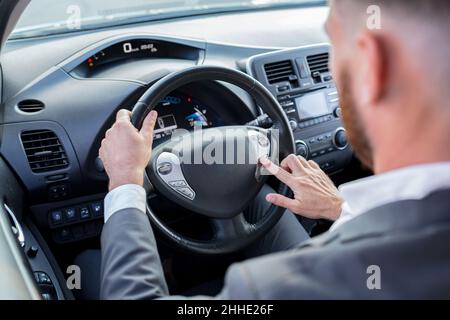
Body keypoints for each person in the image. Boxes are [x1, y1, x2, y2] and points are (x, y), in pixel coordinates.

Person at [96, 0, 450, 299]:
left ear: (373, 67)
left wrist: (126, 180)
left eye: (334, 45)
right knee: (257, 197)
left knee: (88, 265)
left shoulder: (268, 291)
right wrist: (341, 210)